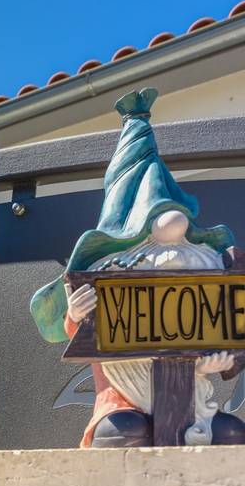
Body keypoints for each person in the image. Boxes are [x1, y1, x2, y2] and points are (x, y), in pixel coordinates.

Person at [30, 87, 245, 448]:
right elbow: (80, 330)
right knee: (125, 431)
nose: (169, 249)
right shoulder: (110, 278)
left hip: (193, 402)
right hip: (123, 396)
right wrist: (75, 314)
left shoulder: (206, 289)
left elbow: (202, 336)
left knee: (230, 433)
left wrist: (208, 364)